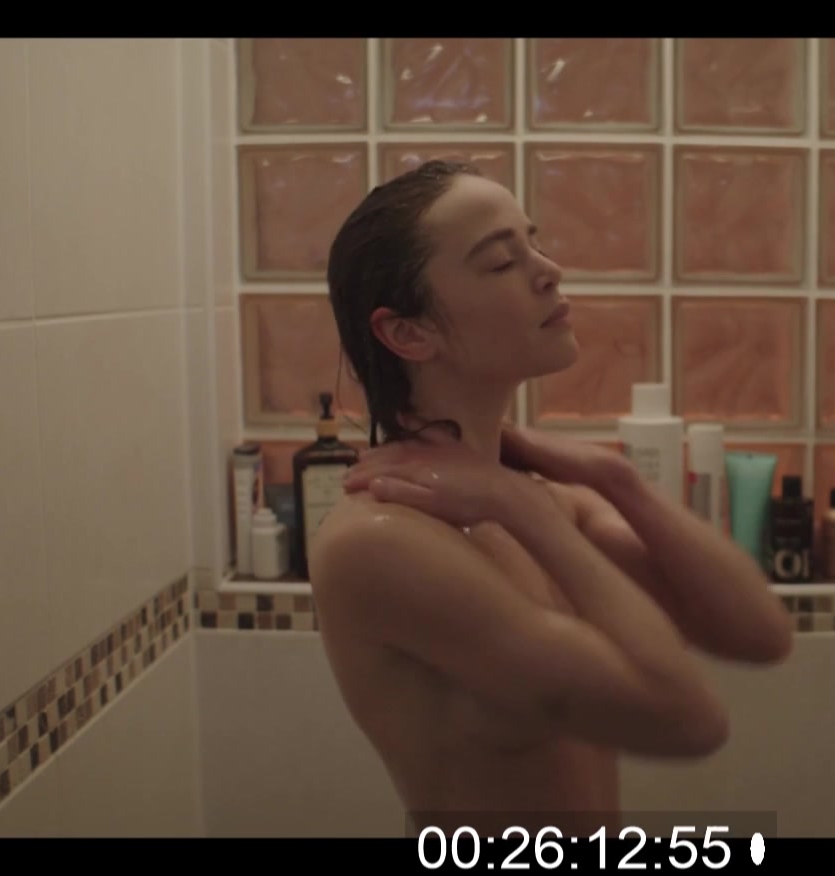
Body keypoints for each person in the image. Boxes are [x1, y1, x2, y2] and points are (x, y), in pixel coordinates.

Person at [306, 160, 795, 837]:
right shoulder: (381, 540)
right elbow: (690, 721)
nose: (549, 270)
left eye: (533, 242)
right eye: (502, 261)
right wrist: (527, 510)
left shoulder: (544, 502)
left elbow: (759, 633)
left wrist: (617, 481)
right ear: (409, 333)